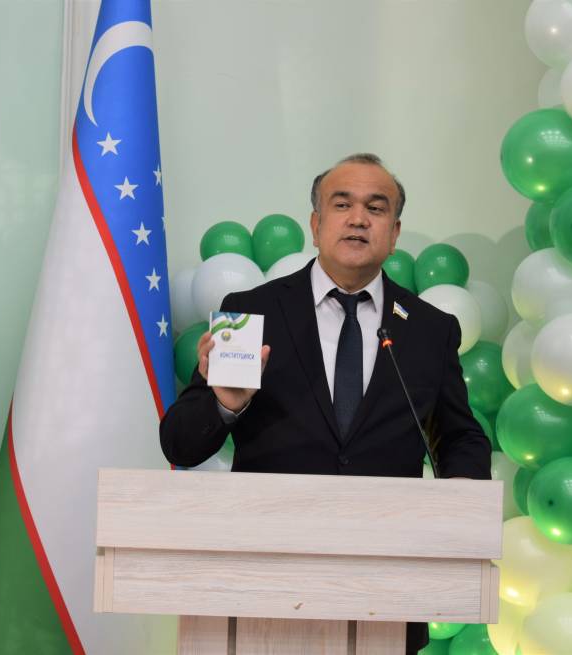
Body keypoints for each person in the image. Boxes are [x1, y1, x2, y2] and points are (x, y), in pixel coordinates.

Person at [159, 153, 491, 654]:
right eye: (342, 204)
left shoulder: (429, 329)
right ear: (316, 225)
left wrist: (460, 500)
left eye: (375, 208)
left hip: (385, 589)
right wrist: (223, 404)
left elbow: (459, 436)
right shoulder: (251, 312)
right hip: (266, 586)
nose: (358, 219)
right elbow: (180, 445)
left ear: (395, 233)